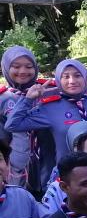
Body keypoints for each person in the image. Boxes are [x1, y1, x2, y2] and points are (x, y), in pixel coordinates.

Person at [5, 58, 87, 177]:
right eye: (66, 77)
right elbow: (12, 125)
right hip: (68, 176)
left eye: (77, 75)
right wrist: (28, 99)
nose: (72, 81)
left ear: (85, 77)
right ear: (58, 79)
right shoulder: (50, 107)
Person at [0, 45, 53, 194]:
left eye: (29, 66)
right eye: (16, 67)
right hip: (17, 167)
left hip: (49, 161)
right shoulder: (3, 99)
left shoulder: (48, 91)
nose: (23, 71)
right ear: (5, 68)